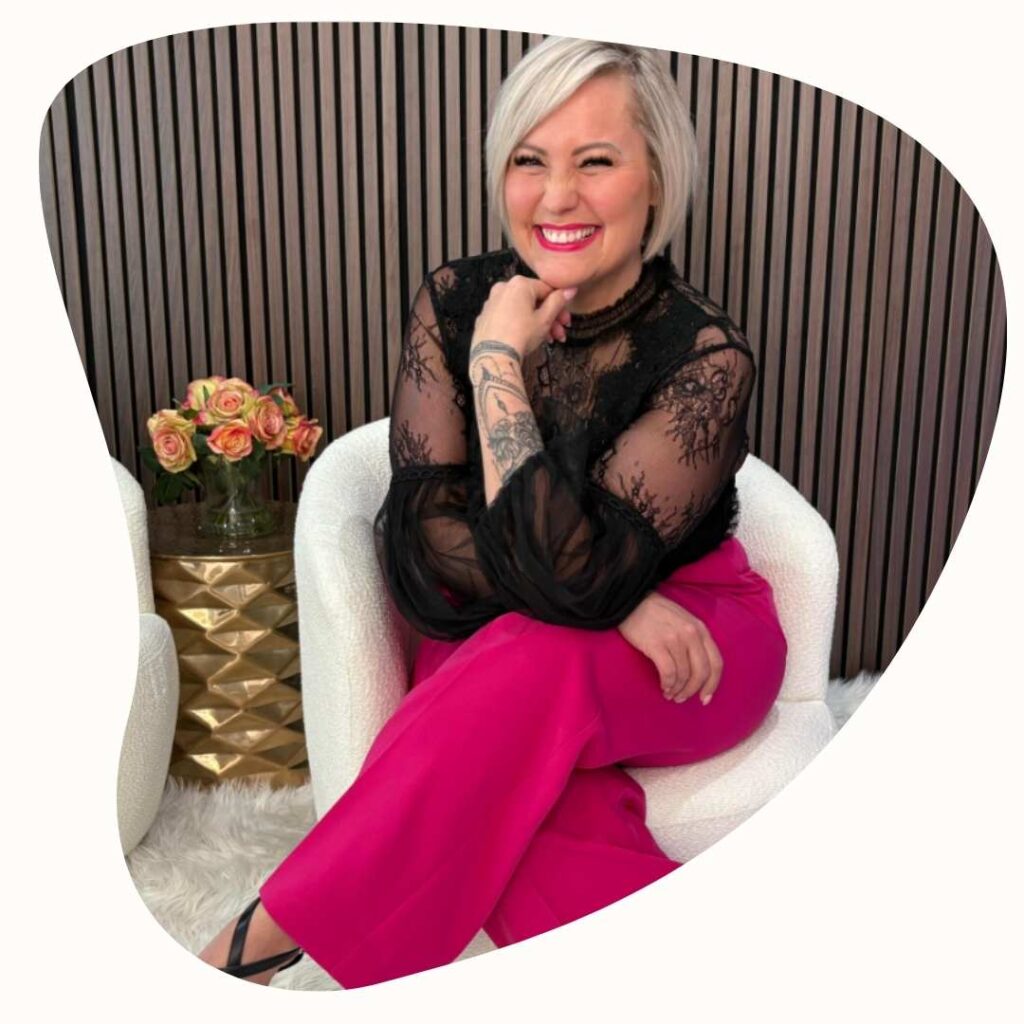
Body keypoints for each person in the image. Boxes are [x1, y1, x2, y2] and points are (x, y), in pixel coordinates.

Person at [197, 36, 787, 989]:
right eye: (529, 160)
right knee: (536, 802)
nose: (557, 197)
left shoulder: (705, 355)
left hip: (695, 636)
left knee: (536, 666)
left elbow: (581, 571)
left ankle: (254, 942)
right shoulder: (456, 296)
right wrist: (607, 601)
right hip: (490, 610)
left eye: (596, 161)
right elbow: (425, 539)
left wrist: (496, 367)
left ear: (655, 180)